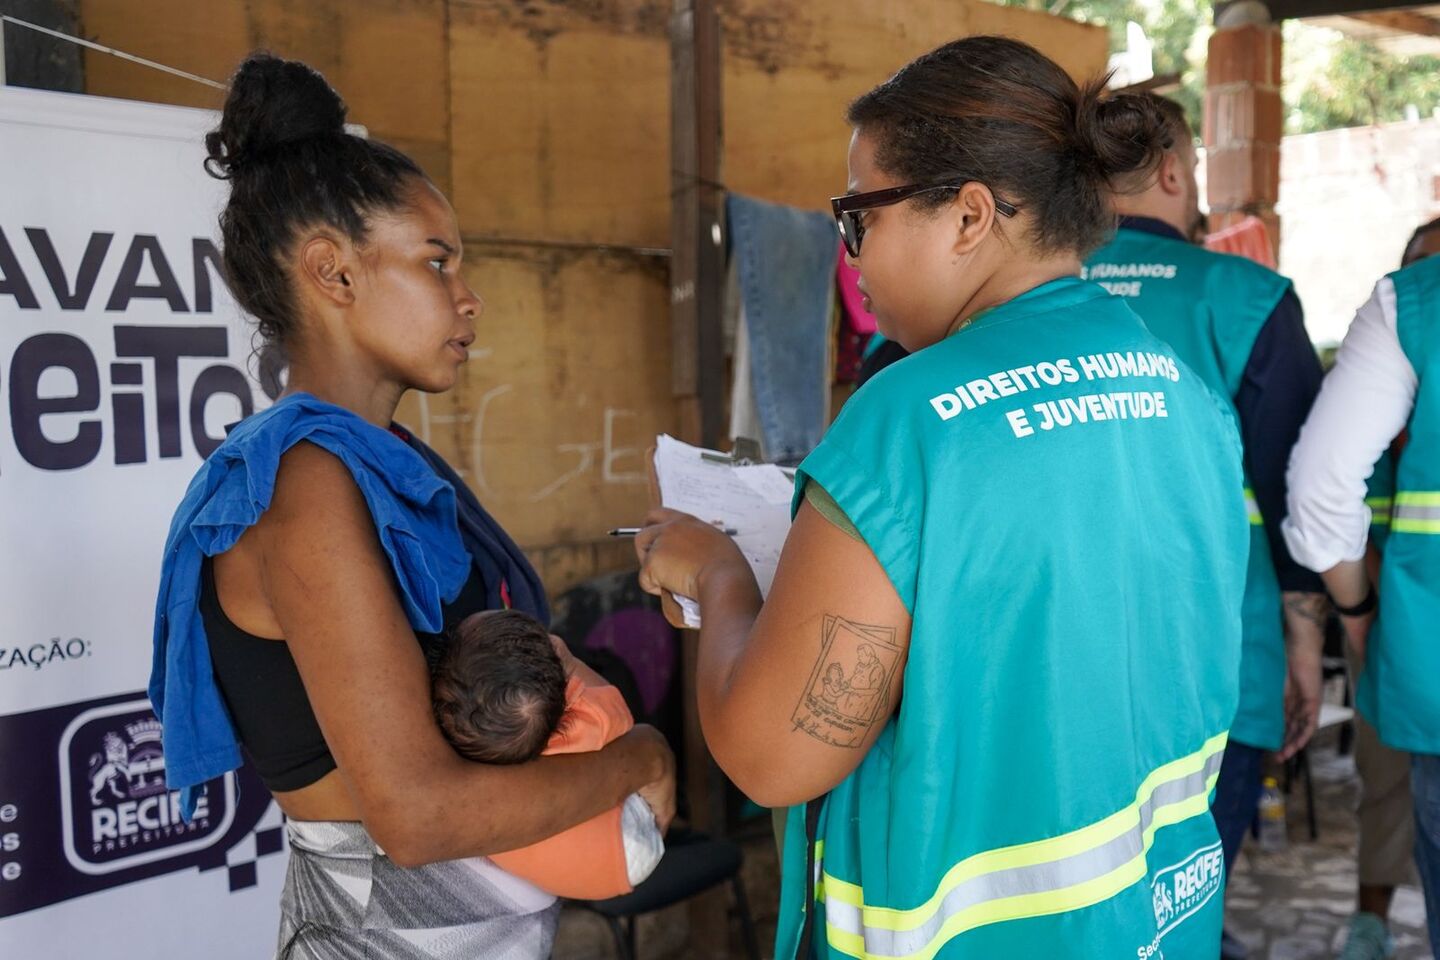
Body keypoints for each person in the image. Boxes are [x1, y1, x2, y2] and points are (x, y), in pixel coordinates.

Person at [636, 36, 1248, 958]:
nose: (855, 259)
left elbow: (774, 754)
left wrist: (722, 574)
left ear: (968, 216)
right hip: (1157, 922)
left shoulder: (910, 418)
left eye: (858, 218)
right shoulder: (1189, 398)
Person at [149, 53, 674, 958]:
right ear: (335, 273)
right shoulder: (303, 483)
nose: (468, 300)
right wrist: (644, 757)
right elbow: (420, 815)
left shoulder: (379, 462)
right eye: (437, 263)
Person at [1081, 92, 1329, 959]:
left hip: (1060, 673)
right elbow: (1299, 489)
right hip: (1220, 666)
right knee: (1183, 902)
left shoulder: (1020, 294)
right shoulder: (1249, 300)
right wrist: (1304, 651)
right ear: (1177, 173)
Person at [1284, 214, 1440, 960]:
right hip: (1398, 641)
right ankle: (1370, 917)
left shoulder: (1407, 315)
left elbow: (1319, 490)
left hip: (1414, 650)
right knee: (1384, 785)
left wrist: (1359, 611)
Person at [430, 609, 664, 898]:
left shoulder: (466, 762)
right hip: (621, 849)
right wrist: (571, 662)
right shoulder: (592, 720)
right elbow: (623, 719)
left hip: (570, 875)